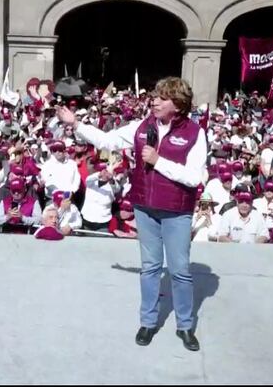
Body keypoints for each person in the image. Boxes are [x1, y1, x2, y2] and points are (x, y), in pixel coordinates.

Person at [58, 76, 206, 351]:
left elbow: (193, 178)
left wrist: (158, 161)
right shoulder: (141, 126)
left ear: (178, 103)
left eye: (162, 98)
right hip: (144, 206)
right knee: (150, 268)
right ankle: (148, 322)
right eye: (155, 96)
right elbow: (108, 140)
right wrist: (76, 124)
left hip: (176, 211)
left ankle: (185, 326)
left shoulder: (195, 133)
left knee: (180, 271)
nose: (155, 101)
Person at [80, 164, 122, 232]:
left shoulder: (112, 185)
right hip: (87, 220)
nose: (104, 174)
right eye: (101, 171)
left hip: (103, 222)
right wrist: (99, 174)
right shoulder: (91, 182)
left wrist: (111, 179)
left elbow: (117, 189)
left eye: (106, 171)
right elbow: (88, 179)